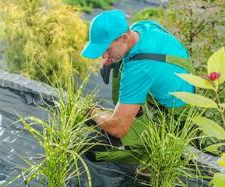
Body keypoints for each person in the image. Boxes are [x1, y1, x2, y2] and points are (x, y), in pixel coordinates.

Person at [81, 10, 195, 163]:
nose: (104, 56)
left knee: (95, 148)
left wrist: (93, 112)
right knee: (119, 64)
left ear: (124, 37)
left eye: (107, 49)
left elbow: (118, 128)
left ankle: (150, 158)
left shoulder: (139, 68)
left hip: (176, 117)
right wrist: (113, 58)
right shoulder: (141, 27)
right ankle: (130, 109)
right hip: (180, 86)